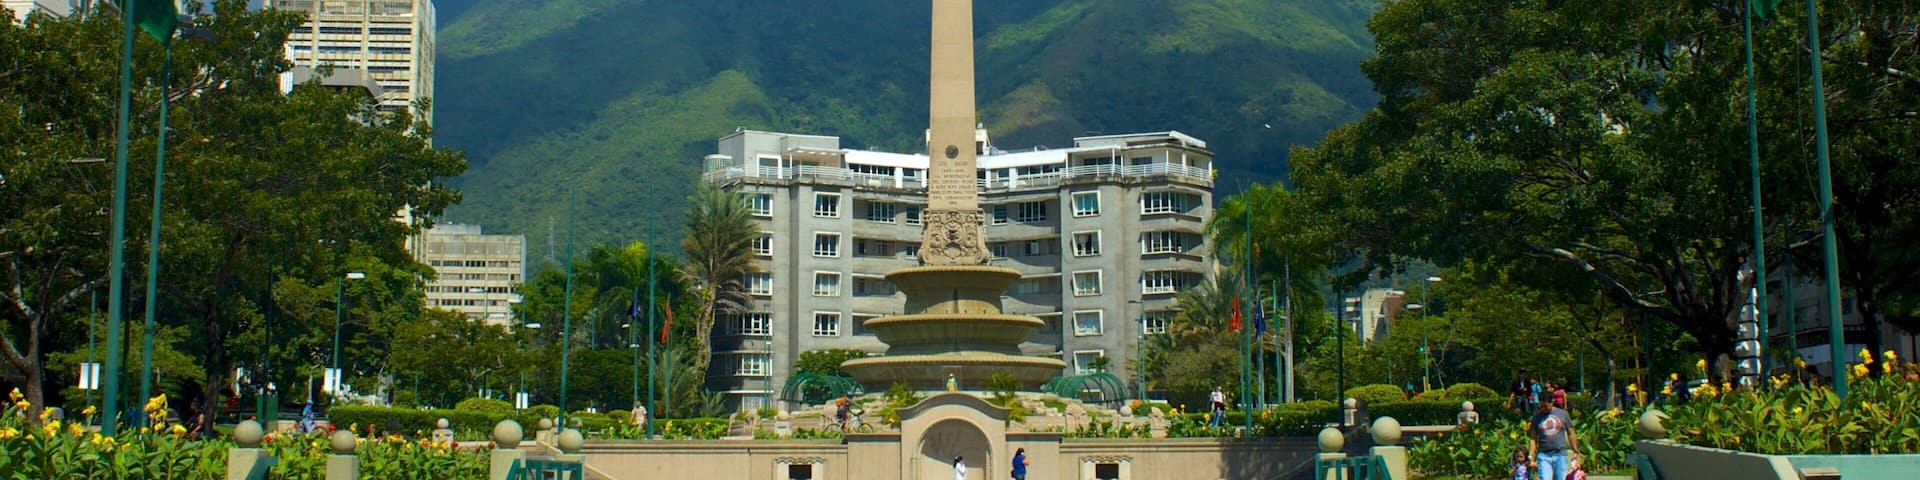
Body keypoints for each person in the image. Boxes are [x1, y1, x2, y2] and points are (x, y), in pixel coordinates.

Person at [1528, 394, 1579, 480]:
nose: (1544, 408)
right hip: (1544, 455)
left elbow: (1571, 433)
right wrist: (1531, 456)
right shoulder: (1536, 417)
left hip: (1560, 454)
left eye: (1546, 406)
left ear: (1552, 402)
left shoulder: (1563, 414)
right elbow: (1533, 438)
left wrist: (1575, 450)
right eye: (1542, 406)